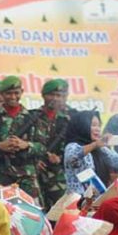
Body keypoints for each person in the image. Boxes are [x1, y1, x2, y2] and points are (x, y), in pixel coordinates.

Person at [0, 76, 47, 203]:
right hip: (1, 175)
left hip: (27, 176)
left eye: (16, 92)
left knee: (33, 212)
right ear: (2, 94)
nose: (13, 96)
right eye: (8, 93)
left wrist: (26, 145)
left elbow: (42, 147)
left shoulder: (33, 118)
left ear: (22, 92)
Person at [63, 111, 118, 195]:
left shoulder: (100, 148)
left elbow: (115, 159)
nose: (98, 129)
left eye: (99, 126)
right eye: (93, 125)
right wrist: (95, 144)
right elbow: (72, 156)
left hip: (97, 199)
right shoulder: (73, 146)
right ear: (81, 126)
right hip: (78, 202)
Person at [34, 79, 71, 210]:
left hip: (58, 175)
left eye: (59, 95)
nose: (55, 98)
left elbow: (74, 147)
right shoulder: (31, 117)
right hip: (33, 174)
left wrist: (60, 158)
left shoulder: (68, 120)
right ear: (43, 95)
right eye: (51, 94)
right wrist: (34, 160)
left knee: (61, 212)